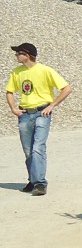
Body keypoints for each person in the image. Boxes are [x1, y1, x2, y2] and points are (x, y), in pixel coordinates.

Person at [6, 43, 72, 196]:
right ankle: (33, 180)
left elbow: (66, 88)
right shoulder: (17, 72)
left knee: (38, 148)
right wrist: (14, 108)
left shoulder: (45, 70)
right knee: (28, 150)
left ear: (27, 54)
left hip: (42, 113)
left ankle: (40, 183)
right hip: (24, 115)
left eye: (18, 53)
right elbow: (9, 92)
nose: (16, 56)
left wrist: (52, 105)